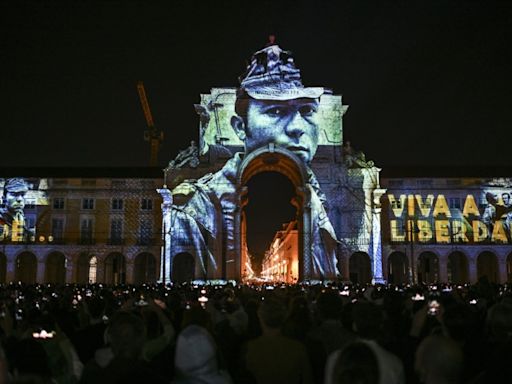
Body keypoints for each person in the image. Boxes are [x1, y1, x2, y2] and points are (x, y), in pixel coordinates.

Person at [168, 43, 339, 279]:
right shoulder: (193, 207)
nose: (298, 127)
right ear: (239, 127)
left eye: (307, 110)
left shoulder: (315, 194)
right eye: (275, 112)